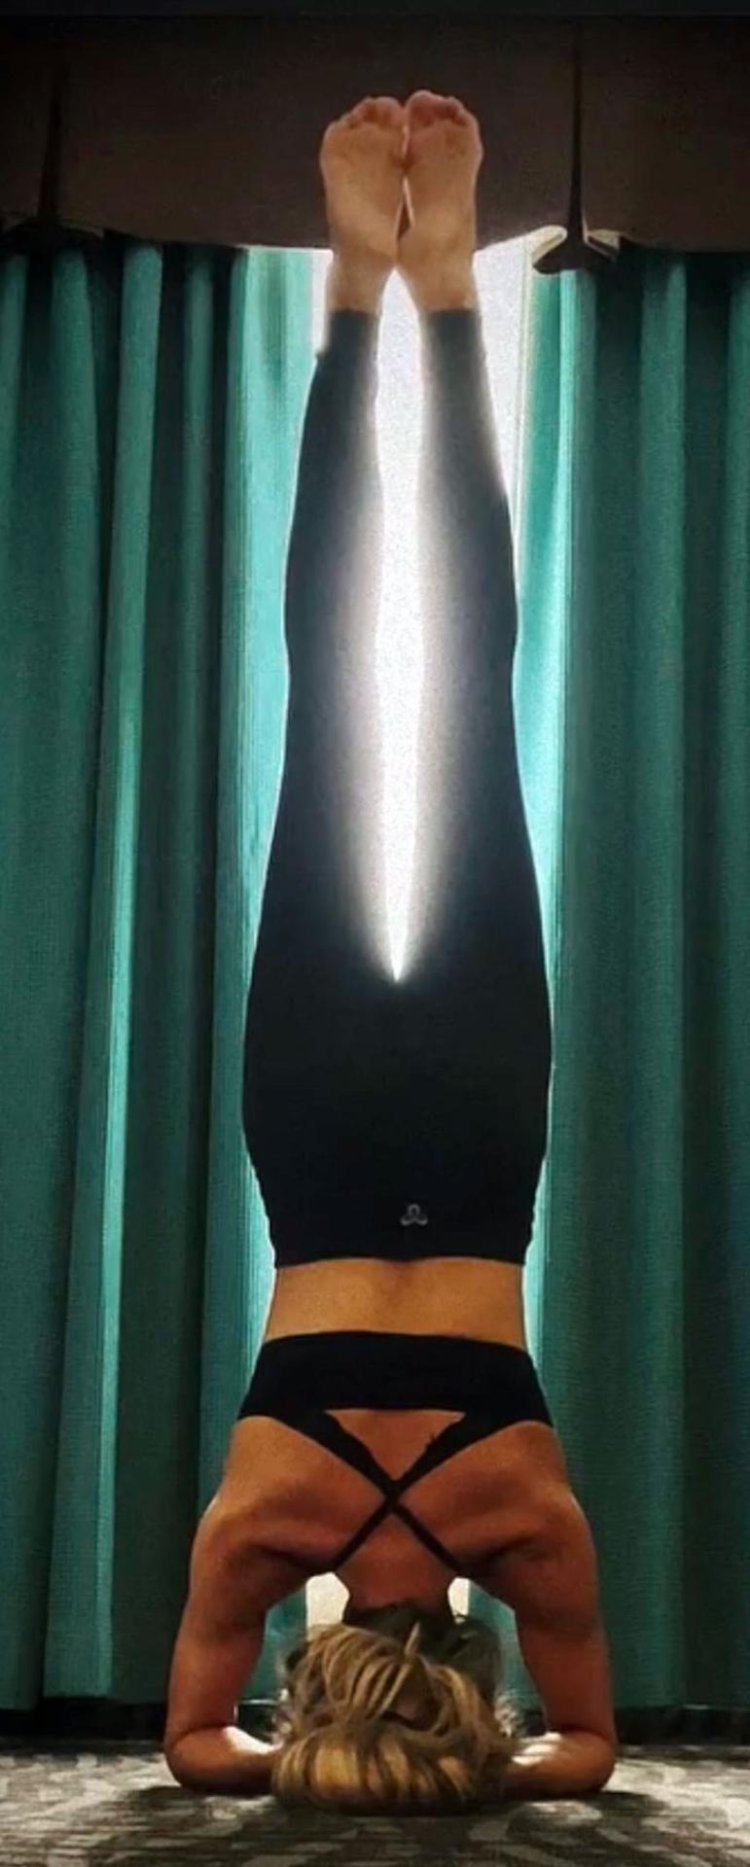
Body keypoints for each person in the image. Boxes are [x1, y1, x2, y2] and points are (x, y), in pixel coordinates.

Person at [163, 90, 618, 1812]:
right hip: (317, 1133)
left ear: (473, 1688)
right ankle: (368, 292)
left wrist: (485, 1775)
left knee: (470, 697)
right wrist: (308, 1761)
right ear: (324, 1675)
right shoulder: (261, 1531)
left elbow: (586, 1756)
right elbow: (197, 1749)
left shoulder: (531, 1536)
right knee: (328, 695)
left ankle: (431, 296)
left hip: (483, 1136)